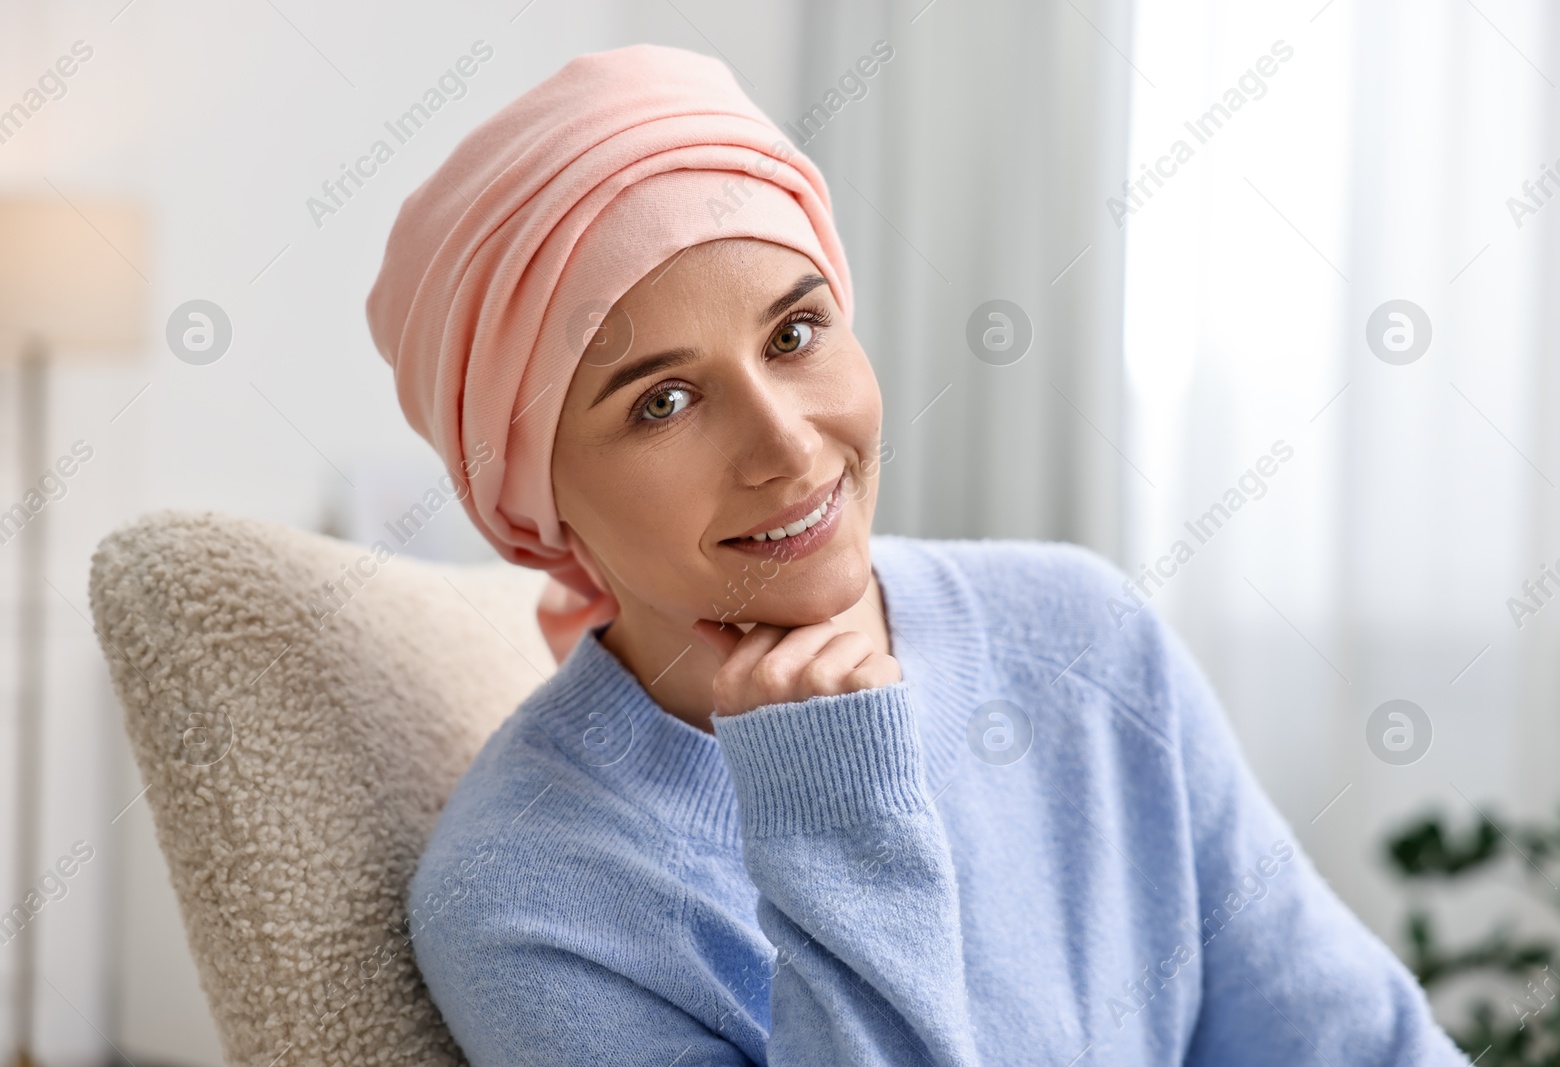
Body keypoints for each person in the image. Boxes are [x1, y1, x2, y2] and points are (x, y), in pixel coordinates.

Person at [366, 43, 1469, 1067]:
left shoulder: (1080, 636)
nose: (787, 445)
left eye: (794, 334)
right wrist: (837, 807)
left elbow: (1363, 1045)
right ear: (535, 500)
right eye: (663, 401)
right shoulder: (526, 896)